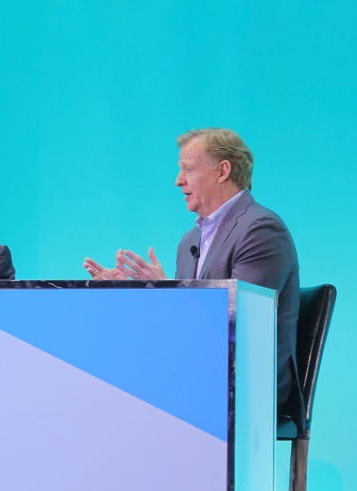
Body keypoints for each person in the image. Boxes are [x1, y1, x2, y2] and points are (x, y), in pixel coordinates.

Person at [83, 128, 301, 412]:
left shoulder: (260, 230)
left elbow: (241, 324)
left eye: (188, 169)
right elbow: (186, 327)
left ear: (223, 171)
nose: (178, 181)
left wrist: (169, 293)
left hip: (248, 381)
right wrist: (146, 292)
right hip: (197, 374)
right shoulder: (190, 241)